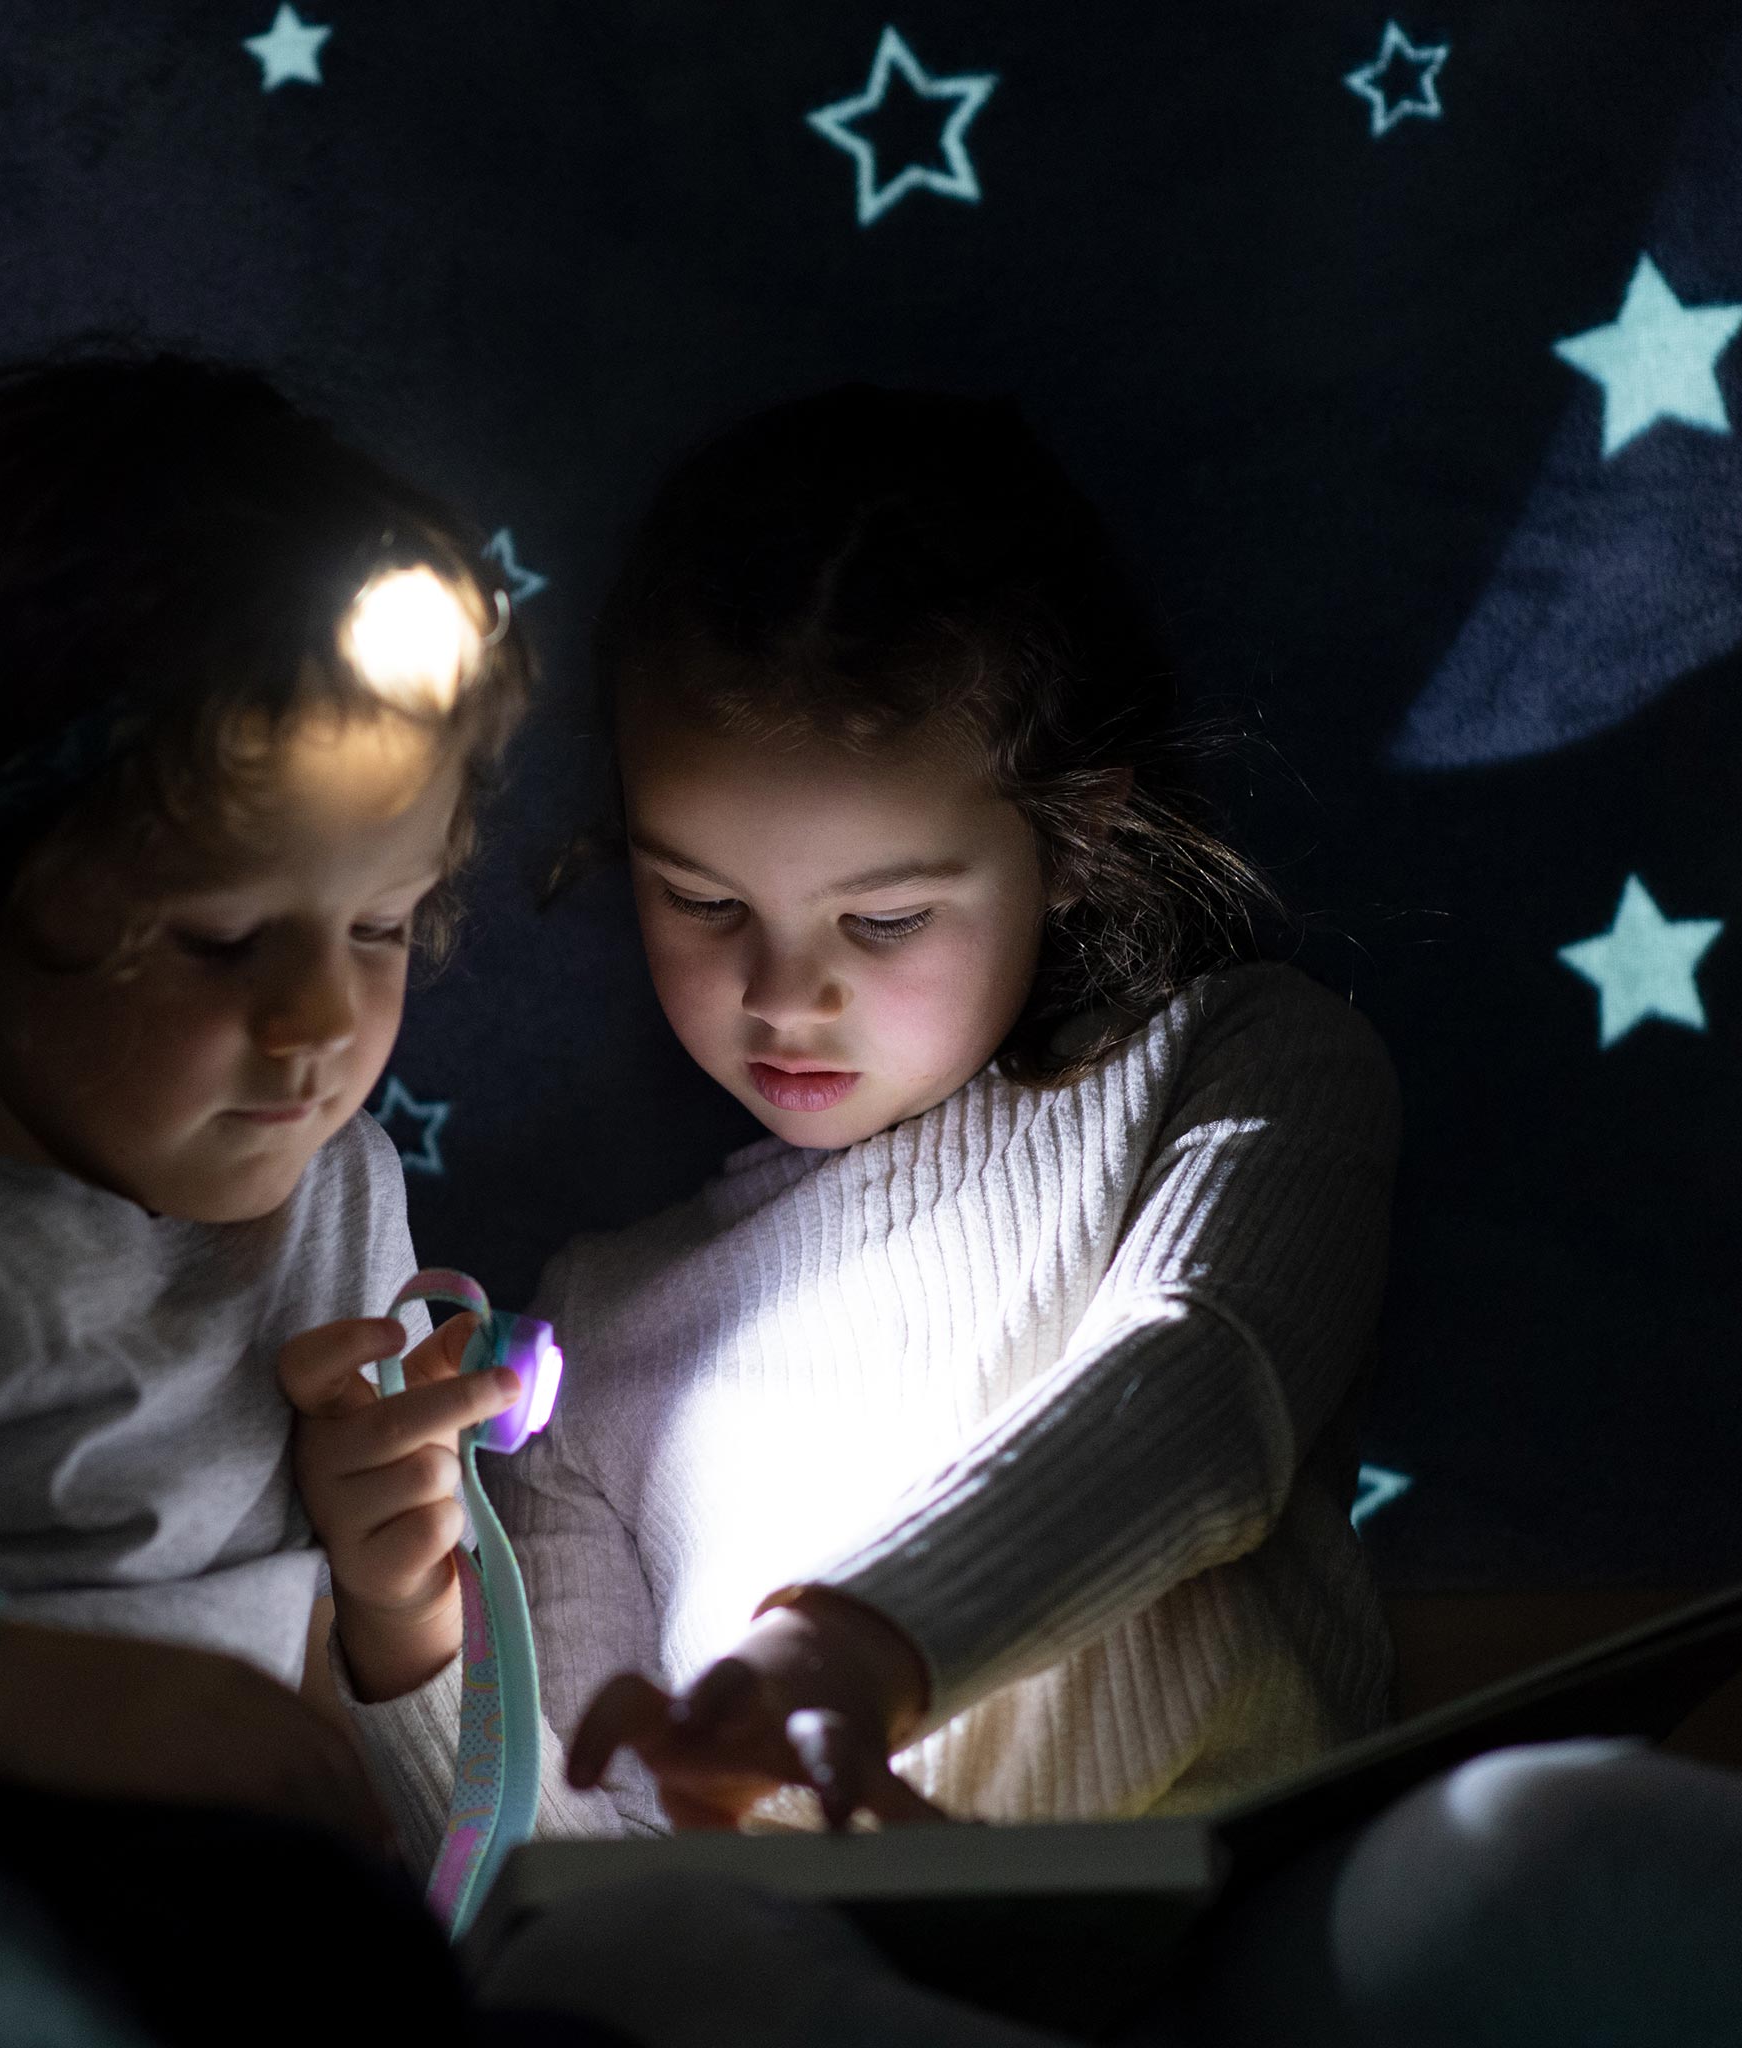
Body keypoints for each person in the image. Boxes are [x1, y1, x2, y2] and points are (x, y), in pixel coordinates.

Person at [340, 383, 1402, 1854]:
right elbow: (579, 1868)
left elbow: (1201, 1397)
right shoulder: (597, 1332)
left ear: (1079, 842)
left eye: (885, 919)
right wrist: (402, 1624)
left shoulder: (1246, 1068)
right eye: (703, 902)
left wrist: (854, 1643)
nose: (784, 995)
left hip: (1260, 1931)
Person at [0, 347, 601, 2043]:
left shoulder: (341, 1211)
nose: (325, 1026)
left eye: (383, 926)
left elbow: (420, 1829)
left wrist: (396, 1590)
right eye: (218, 940)